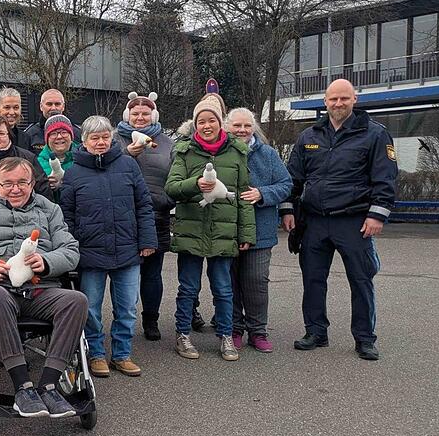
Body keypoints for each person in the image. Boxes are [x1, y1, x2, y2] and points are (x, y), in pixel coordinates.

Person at [0, 157, 88, 418]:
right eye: (8, 183)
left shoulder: (49, 209)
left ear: (33, 183)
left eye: (22, 182)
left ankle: (48, 385)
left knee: (77, 300)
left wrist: (46, 262)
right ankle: (23, 387)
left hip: (41, 288)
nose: (15, 189)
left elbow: (71, 251)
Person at [281, 79, 398, 361]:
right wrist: (287, 210)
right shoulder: (308, 136)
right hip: (314, 222)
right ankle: (316, 331)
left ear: (354, 99)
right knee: (313, 279)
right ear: (325, 101)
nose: (338, 103)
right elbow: (292, 179)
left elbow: (385, 178)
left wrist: (376, 215)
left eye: (344, 98)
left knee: (361, 280)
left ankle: (365, 339)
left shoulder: (375, 134)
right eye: (333, 99)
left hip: (355, 221)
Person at [61, 116, 157, 377]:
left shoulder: (128, 165)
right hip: (89, 251)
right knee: (91, 308)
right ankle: (96, 354)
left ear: (112, 138)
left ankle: (122, 354)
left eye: (105, 137)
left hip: (127, 249)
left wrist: (148, 240)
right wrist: (72, 246)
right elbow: (66, 214)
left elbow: (143, 205)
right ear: (84, 142)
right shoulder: (73, 172)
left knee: (126, 307)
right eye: (95, 138)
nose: (101, 142)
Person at [166, 93, 255, 361]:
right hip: (191, 231)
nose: (207, 125)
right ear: (196, 125)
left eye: (212, 120)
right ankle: (183, 335)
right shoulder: (184, 151)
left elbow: (242, 194)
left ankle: (226, 336)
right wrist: (195, 184)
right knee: (188, 288)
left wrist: (246, 233)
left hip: (224, 232)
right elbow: (171, 188)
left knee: (223, 288)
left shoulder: (238, 152)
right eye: (201, 121)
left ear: (220, 123)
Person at [225, 108, 293, 353]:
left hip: (261, 230)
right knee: (229, 282)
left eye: (247, 126)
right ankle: (233, 329)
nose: (242, 130)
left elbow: (286, 184)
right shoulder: (220, 153)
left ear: (254, 128)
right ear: (227, 127)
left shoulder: (268, 154)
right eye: (237, 126)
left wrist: (263, 193)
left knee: (256, 282)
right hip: (227, 230)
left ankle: (258, 331)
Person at [116, 91, 175, 341]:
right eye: (135, 113)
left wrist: (167, 200)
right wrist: (129, 154)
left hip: (157, 216)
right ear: (128, 116)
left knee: (152, 274)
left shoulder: (168, 143)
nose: (140, 117)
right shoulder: (114, 141)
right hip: (122, 218)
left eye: (145, 113)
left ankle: (151, 319)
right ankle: (122, 320)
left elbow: (177, 178)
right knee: (123, 274)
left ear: (154, 115)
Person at [36, 114, 80, 201]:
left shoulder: (83, 158)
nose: (59, 137)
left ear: (71, 136)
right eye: (53, 133)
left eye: (64, 132)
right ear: (47, 139)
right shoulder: (37, 163)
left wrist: (64, 184)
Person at [23, 89, 82, 153]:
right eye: (49, 104)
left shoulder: (77, 133)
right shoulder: (30, 134)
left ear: (63, 106)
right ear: (41, 106)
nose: (53, 108)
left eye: (57, 104)